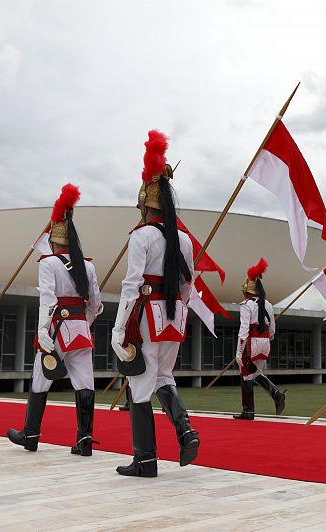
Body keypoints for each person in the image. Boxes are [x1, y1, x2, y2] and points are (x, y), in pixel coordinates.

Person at [111, 130, 198, 477]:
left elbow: (131, 284)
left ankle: (145, 460)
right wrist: (178, 309)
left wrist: (119, 327)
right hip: (174, 314)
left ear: (144, 204)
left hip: (147, 314)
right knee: (163, 376)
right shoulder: (185, 240)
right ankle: (185, 430)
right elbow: (188, 285)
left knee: (140, 383)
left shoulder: (142, 235)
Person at [7, 184, 102, 456]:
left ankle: (30, 435)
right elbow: (95, 304)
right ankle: (84, 441)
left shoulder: (48, 263)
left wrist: (42, 330)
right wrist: (85, 323)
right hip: (81, 330)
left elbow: (47, 300)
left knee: (40, 379)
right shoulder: (88, 265)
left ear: (53, 241)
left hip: (57, 329)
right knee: (85, 383)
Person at [233, 258, 285, 420]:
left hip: (252, 344)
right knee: (255, 374)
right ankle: (275, 393)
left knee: (246, 375)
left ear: (247, 291)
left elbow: (243, 331)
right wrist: (266, 337)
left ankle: (248, 411)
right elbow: (272, 330)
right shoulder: (268, 304)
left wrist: (239, 352)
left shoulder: (246, 305)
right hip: (265, 343)